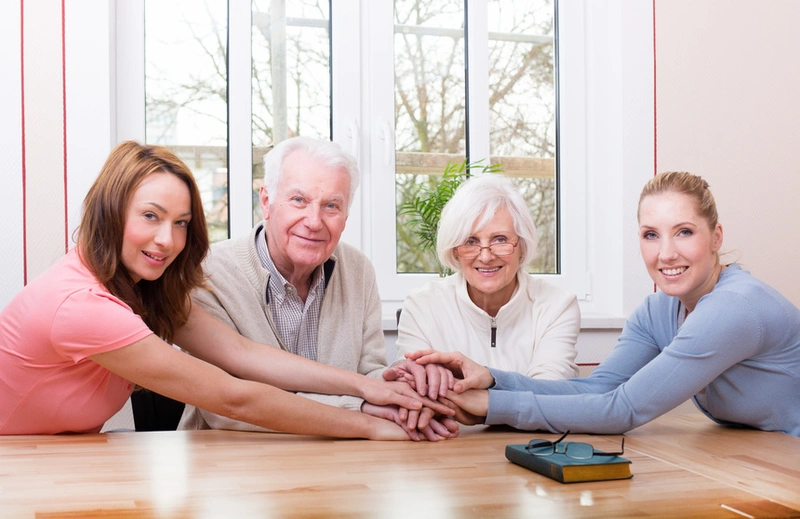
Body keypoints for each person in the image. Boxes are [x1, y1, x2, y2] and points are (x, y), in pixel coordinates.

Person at [0, 140, 452, 438]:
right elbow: (232, 394)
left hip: (54, 459)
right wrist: (369, 425)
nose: (168, 240)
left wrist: (368, 388)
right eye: (150, 216)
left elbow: (241, 354)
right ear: (110, 212)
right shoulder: (82, 305)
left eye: (181, 223)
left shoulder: (145, 289)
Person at [408, 171, 800, 436]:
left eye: (684, 232)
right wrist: (492, 378)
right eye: (650, 234)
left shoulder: (734, 307)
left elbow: (621, 409)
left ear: (716, 237)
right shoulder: (656, 312)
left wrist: (489, 405)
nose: (665, 253)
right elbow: (598, 388)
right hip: (759, 457)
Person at [177, 136, 457, 441]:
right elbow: (224, 410)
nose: (314, 221)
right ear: (267, 202)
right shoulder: (207, 273)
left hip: (338, 461)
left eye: (331, 206)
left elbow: (370, 374)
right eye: (299, 200)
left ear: (346, 217)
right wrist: (360, 406)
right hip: (231, 466)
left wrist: (406, 393)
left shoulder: (358, 270)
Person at [385, 174, 580, 400]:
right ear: (454, 250)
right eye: (470, 241)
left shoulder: (557, 306)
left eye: (500, 239)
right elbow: (413, 389)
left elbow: (548, 394)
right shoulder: (422, 305)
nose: (485, 256)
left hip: (536, 436)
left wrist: (467, 392)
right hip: (453, 436)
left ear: (522, 246)